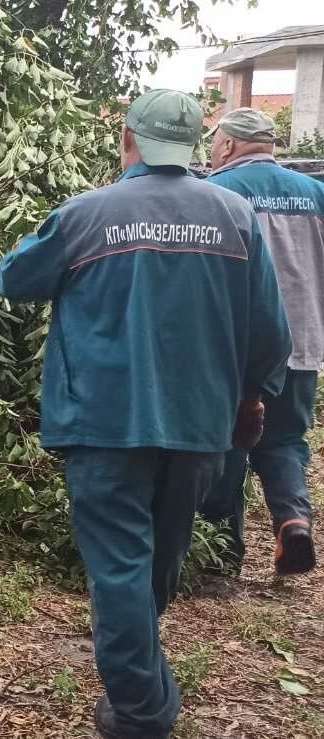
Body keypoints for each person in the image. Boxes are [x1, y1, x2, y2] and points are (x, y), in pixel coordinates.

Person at [0, 89, 290, 739]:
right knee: (156, 562)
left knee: (124, 567)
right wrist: (249, 399)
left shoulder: (86, 214)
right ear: (192, 147)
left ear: (128, 140)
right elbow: (271, 330)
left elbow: (15, 279)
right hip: (199, 423)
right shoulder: (236, 217)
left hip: (104, 421)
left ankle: (140, 712)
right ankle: (141, 680)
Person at [199, 107, 324, 576]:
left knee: (228, 440)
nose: (211, 151)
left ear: (228, 145)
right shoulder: (316, 193)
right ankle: (293, 521)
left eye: (214, 142)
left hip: (237, 346)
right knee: (286, 438)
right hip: (302, 341)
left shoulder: (216, 193)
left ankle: (220, 551)